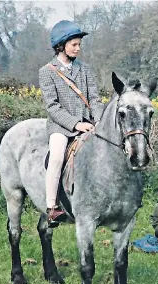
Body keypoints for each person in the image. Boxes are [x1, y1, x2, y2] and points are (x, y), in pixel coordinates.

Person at [39, 20, 105, 223]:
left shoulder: (85, 69)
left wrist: (99, 121)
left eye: (79, 45)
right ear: (61, 46)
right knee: (57, 156)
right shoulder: (47, 71)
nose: (78, 48)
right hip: (61, 127)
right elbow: (52, 107)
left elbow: (94, 98)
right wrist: (76, 124)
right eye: (74, 45)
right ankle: (52, 207)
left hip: (89, 123)